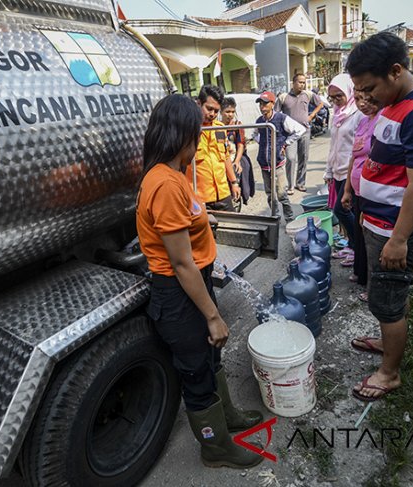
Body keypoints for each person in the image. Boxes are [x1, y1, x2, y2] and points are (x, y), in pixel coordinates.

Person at [136, 94, 264, 468]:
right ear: (182, 135)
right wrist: (212, 315)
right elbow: (180, 263)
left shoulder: (173, 175)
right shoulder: (164, 184)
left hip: (194, 285)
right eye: (198, 131)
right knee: (196, 372)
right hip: (179, 294)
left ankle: (229, 419)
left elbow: (183, 229)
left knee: (210, 357)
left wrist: (201, 222)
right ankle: (216, 447)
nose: (201, 136)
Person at [345, 31, 413, 402]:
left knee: (388, 301)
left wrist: (399, 238)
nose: (366, 97)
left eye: (370, 87)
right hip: (379, 224)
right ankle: (386, 338)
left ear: (395, 71)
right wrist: (367, 211)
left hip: (397, 233)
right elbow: (384, 166)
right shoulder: (393, 104)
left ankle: (389, 373)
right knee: (382, 296)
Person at [341, 91, 382, 300]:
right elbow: (353, 158)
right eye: (358, 99)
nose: (363, 103)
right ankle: (361, 274)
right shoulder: (364, 122)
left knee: (372, 239)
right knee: (359, 233)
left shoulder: (383, 121)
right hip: (358, 189)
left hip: (374, 192)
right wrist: (347, 189)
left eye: (367, 98)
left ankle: (373, 287)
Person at [324, 74, 362, 267]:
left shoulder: (358, 114)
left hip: (352, 173)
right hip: (338, 171)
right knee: (342, 210)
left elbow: (358, 148)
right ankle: (352, 244)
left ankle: (358, 249)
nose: (336, 100)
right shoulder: (337, 114)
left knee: (344, 210)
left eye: (339, 96)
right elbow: (333, 145)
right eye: (332, 97)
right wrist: (328, 171)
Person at [253, 91, 305, 223]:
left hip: (277, 163)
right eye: (260, 104)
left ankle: (289, 218)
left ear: (272, 104)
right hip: (264, 164)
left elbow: (300, 130)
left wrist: (285, 143)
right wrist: (262, 142)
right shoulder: (259, 121)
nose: (262, 107)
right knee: (270, 194)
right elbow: (255, 134)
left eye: (265, 103)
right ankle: (275, 217)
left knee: (282, 194)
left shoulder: (281, 118)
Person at [186, 85, 240, 211]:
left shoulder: (219, 128)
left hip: (223, 193)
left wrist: (234, 182)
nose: (212, 114)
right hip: (199, 197)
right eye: (209, 109)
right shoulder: (188, 129)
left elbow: (225, 157)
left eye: (216, 111)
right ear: (199, 103)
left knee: (233, 228)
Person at [280, 73, 324, 193]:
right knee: (290, 158)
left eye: (304, 82)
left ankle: (300, 183)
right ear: (293, 83)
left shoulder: (308, 94)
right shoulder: (284, 97)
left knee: (303, 157)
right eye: (300, 82)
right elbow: (277, 114)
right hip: (290, 134)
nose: (302, 84)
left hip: (305, 130)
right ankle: (290, 185)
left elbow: (320, 104)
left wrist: (312, 115)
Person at [221, 97, 255, 206]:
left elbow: (240, 145)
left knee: (240, 169)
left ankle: (239, 196)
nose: (230, 114)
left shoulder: (237, 125)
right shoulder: (217, 126)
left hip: (237, 156)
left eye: (232, 112)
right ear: (221, 112)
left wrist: (237, 161)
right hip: (222, 157)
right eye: (227, 112)